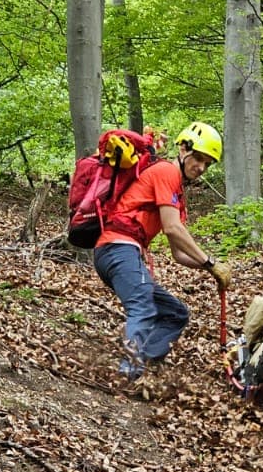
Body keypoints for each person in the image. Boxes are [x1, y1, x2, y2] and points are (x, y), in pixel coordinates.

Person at [93, 121, 233, 380]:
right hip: (117, 248)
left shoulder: (177, 195)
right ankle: (128, 375)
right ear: (183, 149)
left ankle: (143, 367)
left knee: (175, 313)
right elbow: (172, 229)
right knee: (143, 308)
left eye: (207, 164)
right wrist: (211, 262)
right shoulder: (167, 172)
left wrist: (210, 269)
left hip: (123, 252)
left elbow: (178, 254)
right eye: (199, 159)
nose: (201, 167)